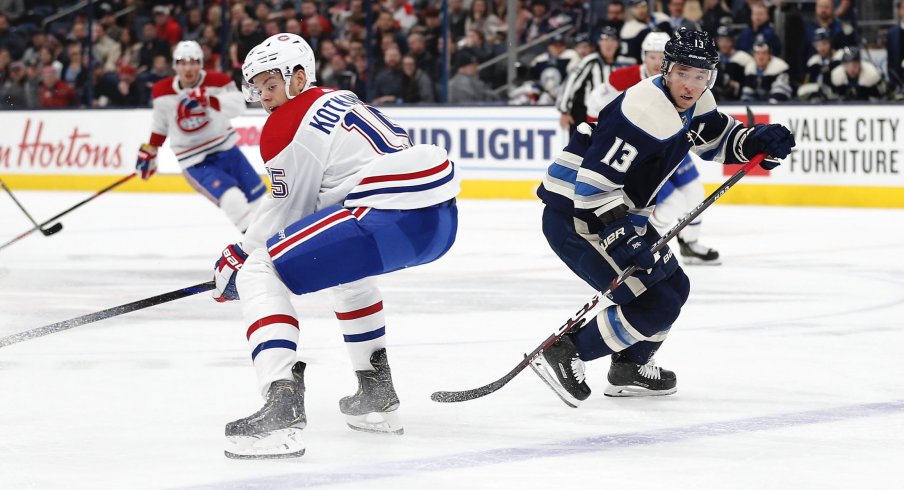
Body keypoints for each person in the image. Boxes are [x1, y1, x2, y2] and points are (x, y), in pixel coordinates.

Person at [214, 33, 459, 459]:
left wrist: (235, 259)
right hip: (436, 219)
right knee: (347, 274)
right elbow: (318, 206)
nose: (265, 97)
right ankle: (376, 396)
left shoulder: (288, 121)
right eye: (257, 88)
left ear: (299, 76)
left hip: (387, 212)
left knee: (259, 271)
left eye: (271, 84)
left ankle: (281, 407)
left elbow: (286, 213)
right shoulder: (339, 99)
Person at [532, 29, 794, 406]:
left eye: (700, 76)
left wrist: (756, 143)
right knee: (654, 302)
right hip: (575, 217)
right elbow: (591, 188)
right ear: (667, 69)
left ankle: (629, 367)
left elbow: (716, 140)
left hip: (618, 214)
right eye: (683, 72)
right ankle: (566, 350)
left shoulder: (697, 101)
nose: (690, 85)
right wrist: (625, 240)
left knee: (675, 289)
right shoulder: (642, 111)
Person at [588, 31, 723, 265]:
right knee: (672, 204)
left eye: (661, 56)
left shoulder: (684, 80)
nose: (656, 61)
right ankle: (647, 243)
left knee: (694, 192)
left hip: (672, 147)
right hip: (641, 154)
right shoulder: (623, 79)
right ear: (643, 56)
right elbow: (595, 105)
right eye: (652, 56)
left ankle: (690, 245)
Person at [136, 40, 265, 232]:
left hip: (227, 150)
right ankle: (257, 246)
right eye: (182, 62)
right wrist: (151, 150)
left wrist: (209, 100)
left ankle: (278, 244)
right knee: (233, 200)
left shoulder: (218, 81)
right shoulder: (161, 91)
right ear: (175, 65)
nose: (188, 67)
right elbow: (160, 124)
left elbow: (238, 106)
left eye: (193, 61)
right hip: (194, 159)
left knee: (261, 203)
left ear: (201, 63)